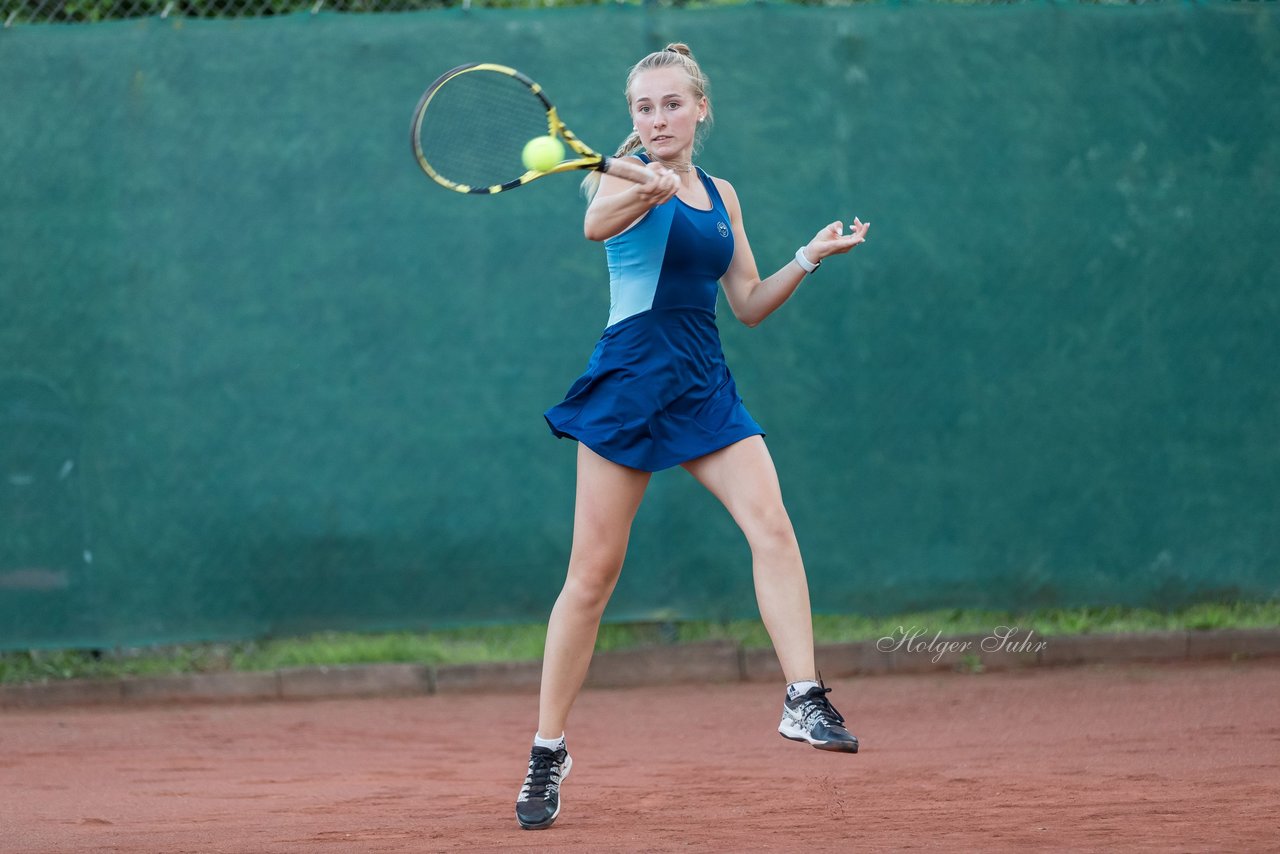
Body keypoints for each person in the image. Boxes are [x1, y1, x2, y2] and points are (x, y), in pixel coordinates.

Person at [515, 43, 871, 831]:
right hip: (630, 382)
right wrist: (645, 187)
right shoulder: (620, 174)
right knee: (592, 578)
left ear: (700, 107)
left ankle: (803, 699)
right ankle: (547, 750)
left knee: (771, 526)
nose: (657, 118)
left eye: (671, 104)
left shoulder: (722, 194)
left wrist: (810, 256)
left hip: (703, 381)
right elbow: (592, 225)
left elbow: (745, 300)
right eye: (643, 107)